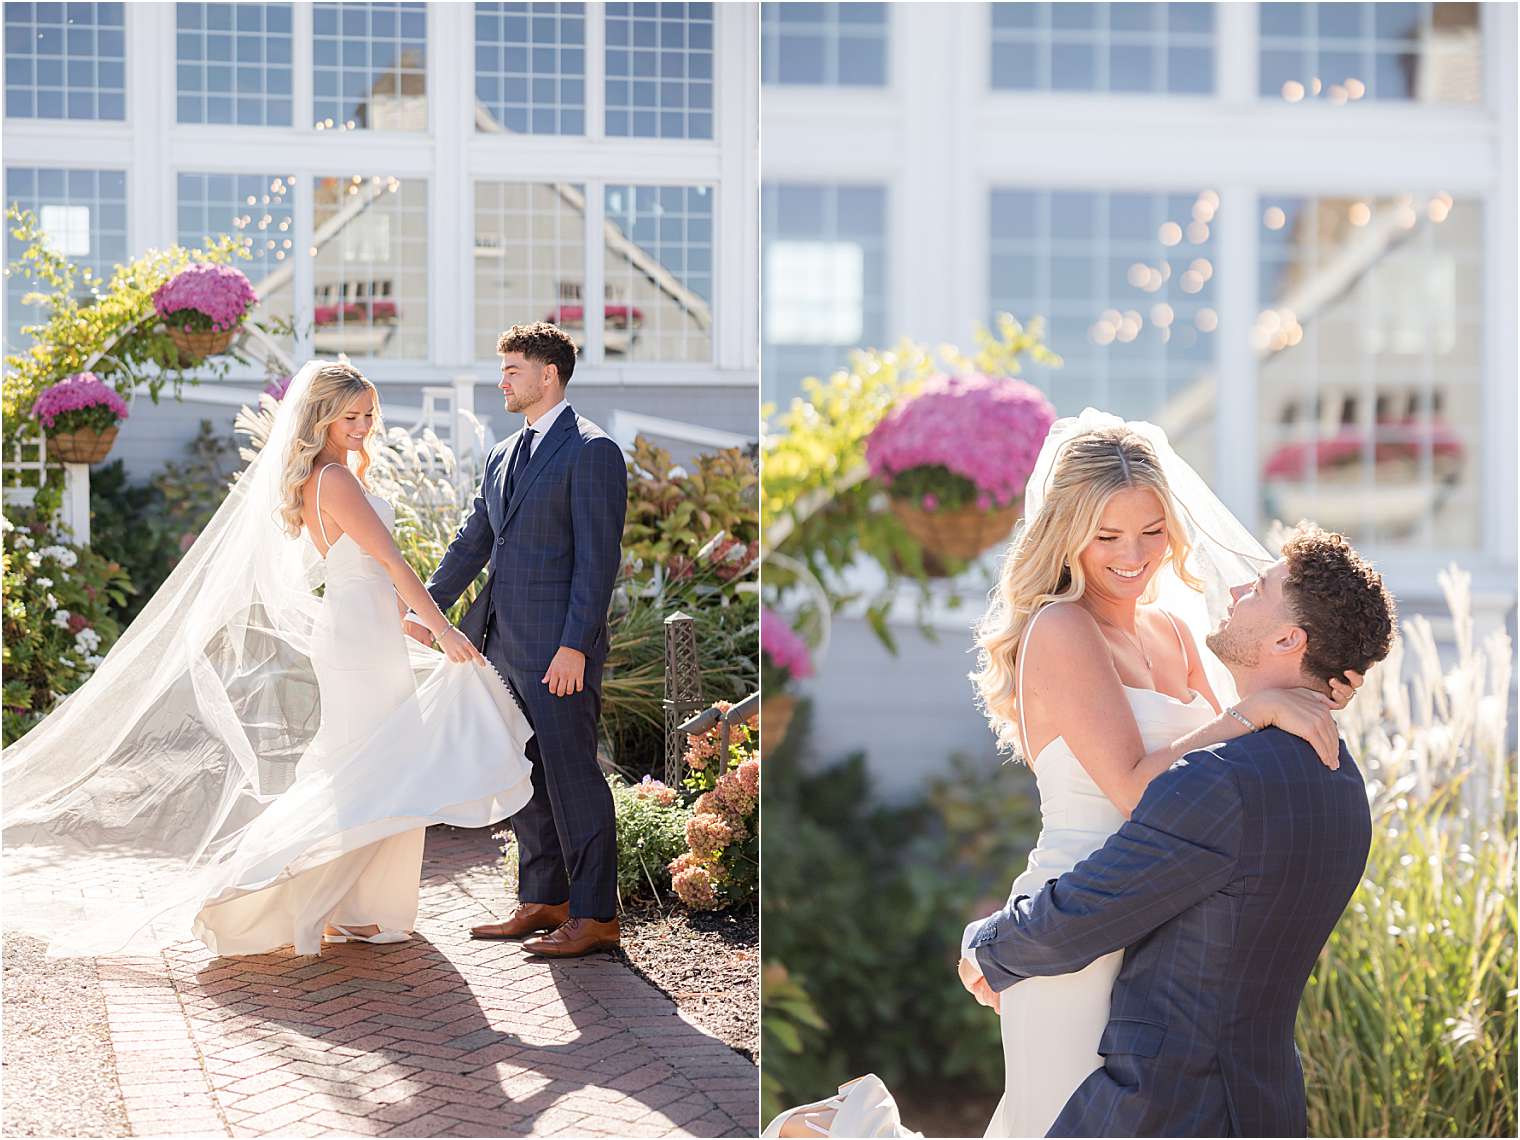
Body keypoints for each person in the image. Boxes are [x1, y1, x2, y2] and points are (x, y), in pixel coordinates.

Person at [764, 410, 1386, 1138]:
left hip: (1157, 927)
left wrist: (1291, 702)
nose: (1134, 555)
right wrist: (1258, 711)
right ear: (1068, 534)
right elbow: (1138, 788)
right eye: (1108, 536)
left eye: (1152, 533)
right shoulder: (1061, 629)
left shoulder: (1176, 631)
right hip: (1074, 929)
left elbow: (1221, 787)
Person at [2, 361, 536, 958]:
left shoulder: (329, 473)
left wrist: (407, 621)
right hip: (358, 642)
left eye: (368, 415)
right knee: (375, 769)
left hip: (365, 630)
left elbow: (361, 573)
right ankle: (302, 898)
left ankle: (360, 909)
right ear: (322, 418)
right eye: (350, 416)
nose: (362, 426)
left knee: (378, 766)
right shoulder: (332, 478)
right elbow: (389, 561)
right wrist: (443, 630)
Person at [405, 322, 628, 959]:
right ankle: (546, 898)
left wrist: (575, 646)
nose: (502, 380)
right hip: (499, 646)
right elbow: (474, 542)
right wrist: (423, 610)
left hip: (558, 652)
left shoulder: (593, 451)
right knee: (524, 772)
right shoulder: (504, 455)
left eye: (512, 369)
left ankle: (594, 915)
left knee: (573, 777)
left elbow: (596, 562)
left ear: (548, 375)